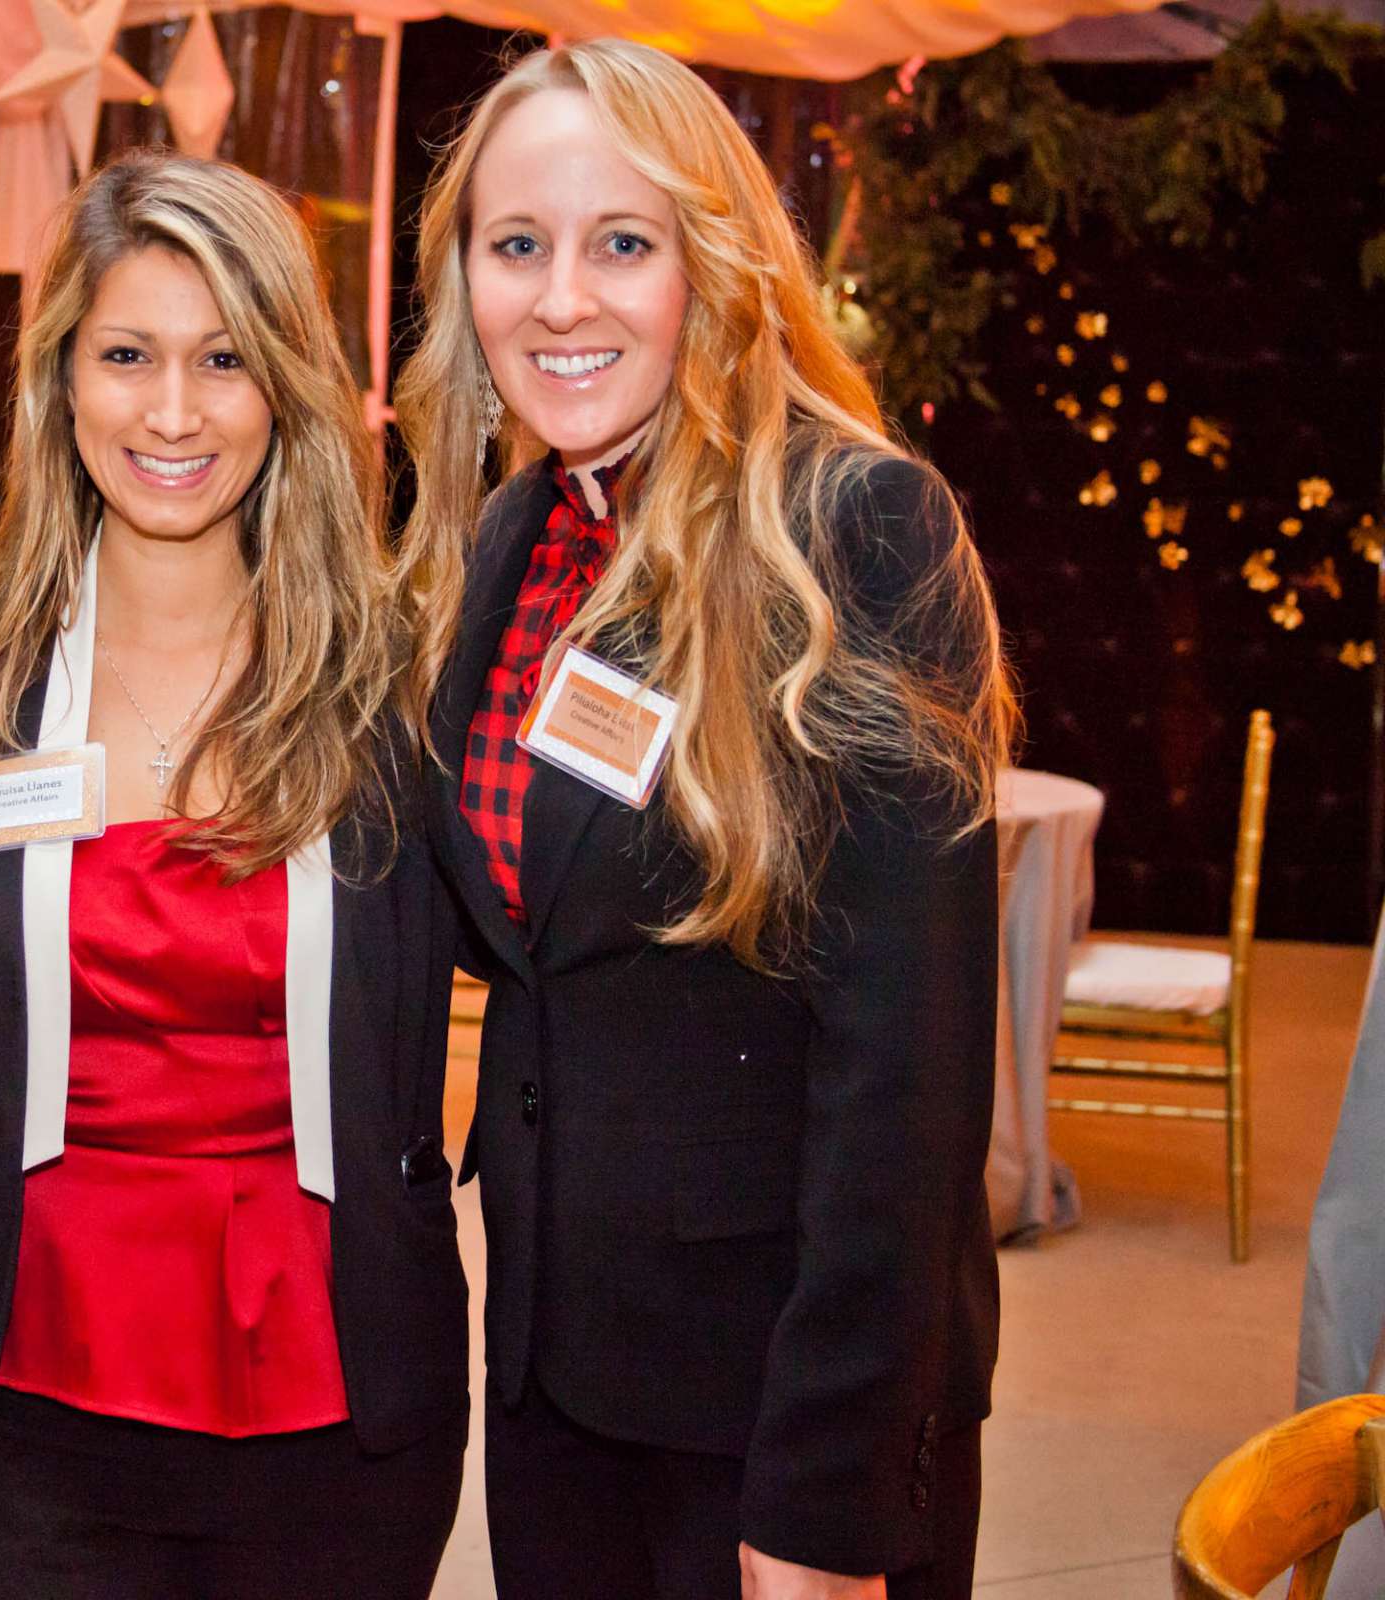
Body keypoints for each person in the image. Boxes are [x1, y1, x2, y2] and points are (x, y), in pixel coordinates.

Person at [394, 39, 1017, 1600]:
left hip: (772, 1418)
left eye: (623, 243)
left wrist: (826, 1503)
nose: (561, 300)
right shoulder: (513, 539)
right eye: (516, 246)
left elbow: (910, 1085)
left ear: (712, 262)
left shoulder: (857, 527)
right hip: (554, 1375)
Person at [0, 151, 468, 1600]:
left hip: (339, 1415)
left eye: (223, 360)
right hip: (16, 1398)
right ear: (60, 379)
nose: (172, 412)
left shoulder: (400, 686)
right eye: (126, 355)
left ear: (286, 385)